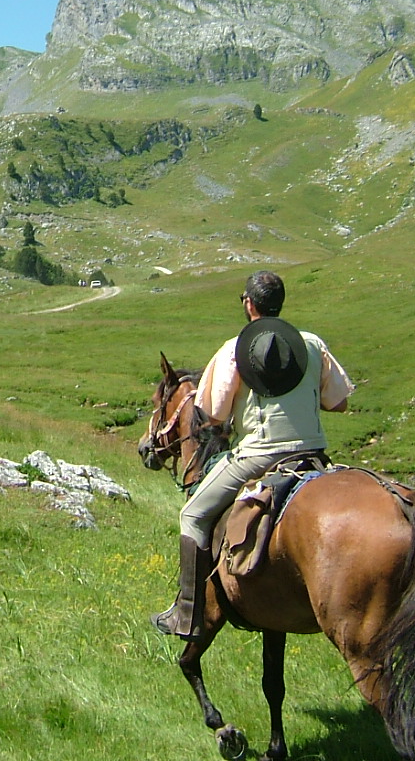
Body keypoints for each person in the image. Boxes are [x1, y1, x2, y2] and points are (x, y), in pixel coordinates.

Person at [151, 270, 355, 640]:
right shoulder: (311, 344)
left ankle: (186, 614)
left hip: (258, 455)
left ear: (249, 304)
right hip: (312, 454)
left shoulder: (234, 349)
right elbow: (338, 403)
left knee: (193, 514)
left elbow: (212, 414)